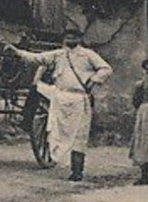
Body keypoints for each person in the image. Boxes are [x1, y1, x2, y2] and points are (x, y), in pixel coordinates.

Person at [9, 25, 113, 182]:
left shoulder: (87, 55)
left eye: (74, 37)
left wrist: (94, 80)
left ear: (79, 39)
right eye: (68, 37)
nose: (70, 40)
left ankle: (76, 171)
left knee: (79, 136)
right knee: (38, 92)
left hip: (78, 99)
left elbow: (105, 68)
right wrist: (17, 52)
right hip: (59, 96)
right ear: (64, 39)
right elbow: (37, 58)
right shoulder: (58, 54)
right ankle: (26, 118)